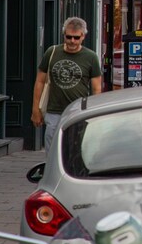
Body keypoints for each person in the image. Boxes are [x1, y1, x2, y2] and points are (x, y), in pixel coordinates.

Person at [32, 17, 102, 151]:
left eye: (76, 38)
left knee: (76, 149)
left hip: (78, 111)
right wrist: (36, 110)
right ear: (64, 35)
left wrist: (94, 113)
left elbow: (96, 89)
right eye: (68, 37)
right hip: (54, 111)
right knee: (52, 150)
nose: (72, 41)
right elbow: (40, 81)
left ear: (83, 36)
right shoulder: (52, 52)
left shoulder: (91, 57)